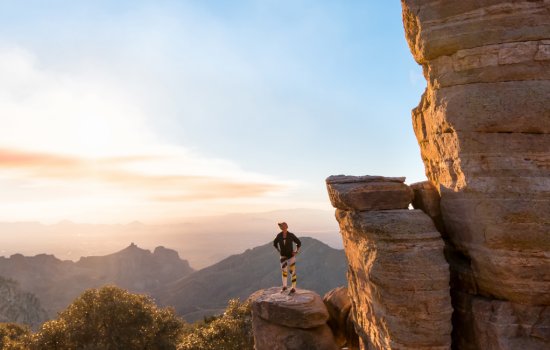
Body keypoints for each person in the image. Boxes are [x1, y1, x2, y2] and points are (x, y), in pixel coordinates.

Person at [273, 222, 301, 294]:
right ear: (281, 228)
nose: (284, 227)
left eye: (285, 225)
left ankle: (293, 288)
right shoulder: (279, 235)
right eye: (282, 226)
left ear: (287, 226)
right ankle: (284, 286)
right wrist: (279, 250)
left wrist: (296, 251)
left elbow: (298, 243)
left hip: (291, 257)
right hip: (283, 256)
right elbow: (274, 243)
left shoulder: (291, 235)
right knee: (284, 272)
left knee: (292, 272)